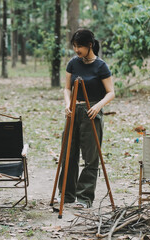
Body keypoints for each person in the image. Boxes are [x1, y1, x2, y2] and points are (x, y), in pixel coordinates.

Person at [58, 29, 115, 208]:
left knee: (91, 158)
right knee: (68, 153)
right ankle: (66, 195)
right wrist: (67, 104)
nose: (76, 50)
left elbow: (111, 92)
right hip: (73, 111)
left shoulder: (101, 66)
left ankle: (84, 198)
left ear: (90, 45)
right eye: (74, 46)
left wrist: (98, 106)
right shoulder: (73, 64)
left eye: (79, 46)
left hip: (92, 113)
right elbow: (67, 88)